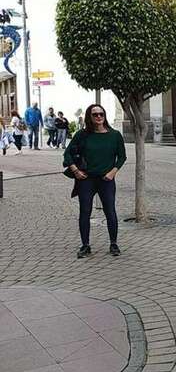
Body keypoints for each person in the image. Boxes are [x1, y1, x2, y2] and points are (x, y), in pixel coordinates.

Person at [64, 104, 127, 259]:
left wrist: (113, 172)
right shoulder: (82, 135)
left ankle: (114, 244)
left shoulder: (115, 135)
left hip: (106, 180)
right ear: (89, 117)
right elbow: (67, 154)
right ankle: (85, 245)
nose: (99, 117)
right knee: (85, 212)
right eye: (95, 114)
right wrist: (76, 171)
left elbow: (122, 157)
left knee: (110, 211)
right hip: (87, 180)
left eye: (101, 114)